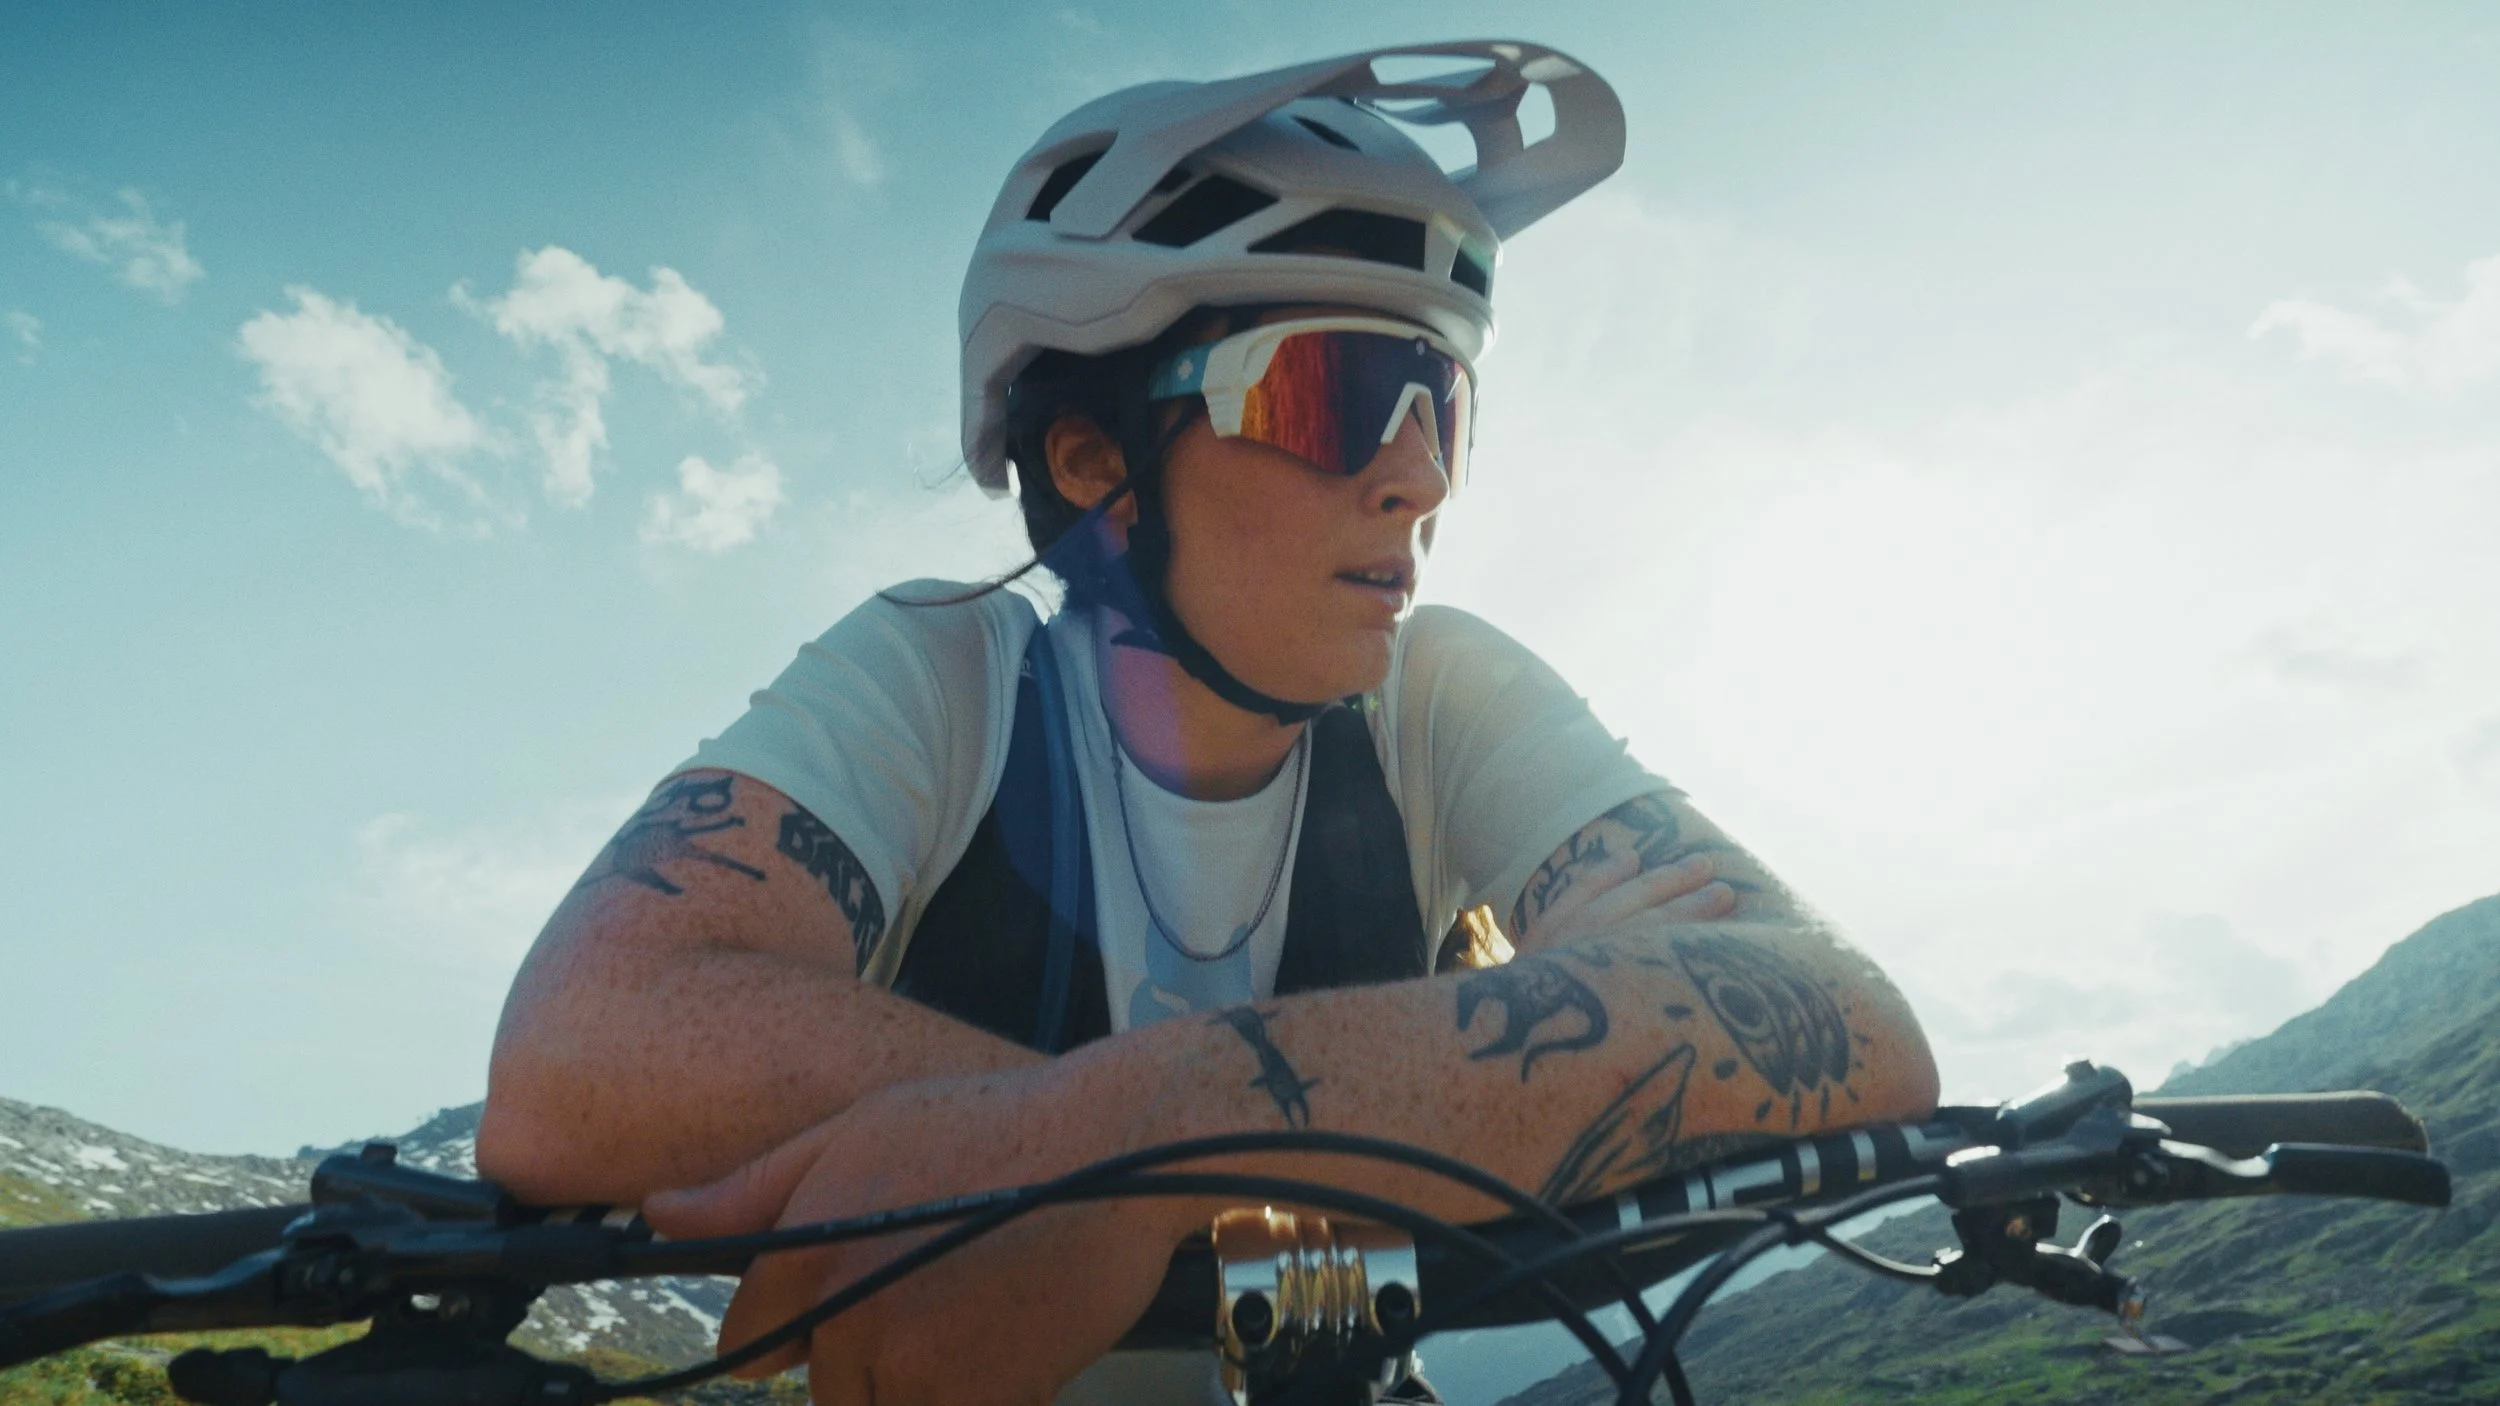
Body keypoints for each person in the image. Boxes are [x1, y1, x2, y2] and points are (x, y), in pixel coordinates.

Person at [477, 40, 1938, 1406]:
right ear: (1097, 462)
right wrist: (1408, 1096)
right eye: (1337, 393)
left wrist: (1136, 1133)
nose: (1418, 478)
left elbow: (1846, 1021)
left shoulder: (1441, 696)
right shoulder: (945, 677)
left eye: (1444, 401)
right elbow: (579, 1058)